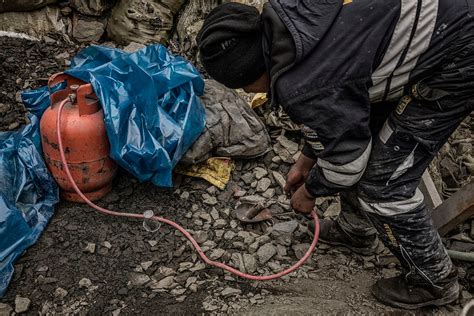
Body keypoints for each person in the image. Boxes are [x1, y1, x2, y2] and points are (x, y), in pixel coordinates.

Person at [196, 0, 474, 310]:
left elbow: (347, 164)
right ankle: (357, 231)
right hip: (436, 26)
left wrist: (310, 192)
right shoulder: (288, 22)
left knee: (382, 186)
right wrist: (307, 158)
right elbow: (339, 114)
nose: (249, 94)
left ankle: (433, 281)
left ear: (250, 70)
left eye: (246, 86)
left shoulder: (304, 82)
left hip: (458, 54)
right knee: (362, 143)